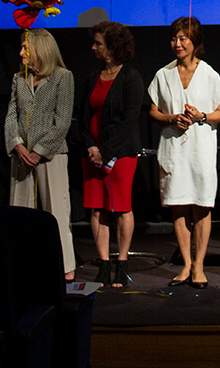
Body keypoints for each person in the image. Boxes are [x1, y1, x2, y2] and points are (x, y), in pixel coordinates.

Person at [149, 17, 220, 289]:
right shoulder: (163, 74)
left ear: (196, 42)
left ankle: (200, 265)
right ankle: (185, 264)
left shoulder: (209, 74)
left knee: (201, 206)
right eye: (174, 38)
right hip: (173, 148)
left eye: (184, 38)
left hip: (201, 149)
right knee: (178, 205)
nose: (178, 43)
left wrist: (201, 116)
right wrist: (172, 118)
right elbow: (153, 110)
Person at [5, 29, 77, 280]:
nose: (21, 52)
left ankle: (66, 267)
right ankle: (21, 265)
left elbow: (63, 122)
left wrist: (39, 151)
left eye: (25, 48)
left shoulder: (62, 77)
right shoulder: (18, 78)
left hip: (51, 155)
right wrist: (17, 145)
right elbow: (11, 116)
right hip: (21, 156)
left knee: (56, 212)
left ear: (40, 50)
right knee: (19, 213)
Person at [80, 21, 143, 288]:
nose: (93, 47)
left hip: (120, 155)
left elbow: (128, 122)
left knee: (120, 207)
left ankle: (122, 262)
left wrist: (105, 152)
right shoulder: (93, 75)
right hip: (92, 153)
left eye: (98, 44)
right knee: (98, 209)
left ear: (113, 47)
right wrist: (91, 148)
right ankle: (104, 264)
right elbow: (82, 117)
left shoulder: (131, 78)